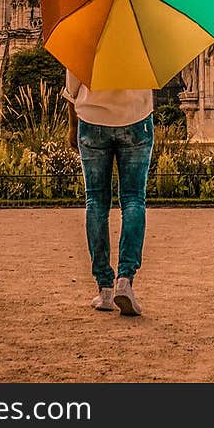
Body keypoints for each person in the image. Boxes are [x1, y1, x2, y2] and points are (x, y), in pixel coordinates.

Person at [64, 67, 154, 317]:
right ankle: (124, 280)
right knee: (134, 200)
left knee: (96, 202)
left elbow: (72, 87)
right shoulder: (143, 31)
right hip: (136, 118)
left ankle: (104, 287)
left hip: (91, 121)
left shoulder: (85, 30)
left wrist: (73, 126)